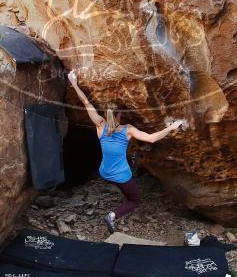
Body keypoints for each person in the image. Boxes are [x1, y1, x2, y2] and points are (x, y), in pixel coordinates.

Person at [67, 70, 184, 233]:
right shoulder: (128, 129)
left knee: (127, 159)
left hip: (104, 172)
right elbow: (151, 138)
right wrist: (171, 127)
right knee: (134, 200)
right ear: (120, 116)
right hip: (120, 175)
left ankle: (131, 164)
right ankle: (112, 215)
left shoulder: (100, 125)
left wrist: (73, 82)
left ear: (107, 115)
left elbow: (86, 102)